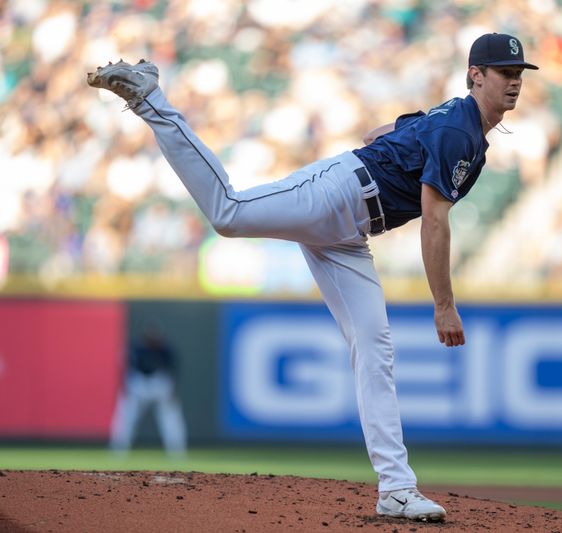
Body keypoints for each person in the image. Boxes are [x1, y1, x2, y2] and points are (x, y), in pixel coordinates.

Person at [87, 32, 537, 522]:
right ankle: (152, 97)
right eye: (504, 73)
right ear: (476, 75)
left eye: (518, 74)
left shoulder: (459, 122)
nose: (514, 83)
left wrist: (394, 145)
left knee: (375, 347)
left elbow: (389, 128)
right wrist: (444, 303)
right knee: (229, 214)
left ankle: (396, 489)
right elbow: (434, 220)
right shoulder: (460, 131)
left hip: (351, 232)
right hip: (341, 192)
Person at [109, 323, 188, 458]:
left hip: (159, 384)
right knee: (126, 416)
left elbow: (173, 371)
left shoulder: (166, 350)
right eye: (150, 338)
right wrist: (126, 388)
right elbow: (128, 369)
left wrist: (173, 390)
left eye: (156, 339)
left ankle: (177, 453)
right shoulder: (137, 348)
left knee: (171, 417)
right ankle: (118, 451)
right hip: (139, 384)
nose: (153, 341)